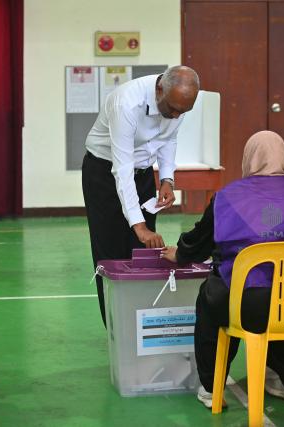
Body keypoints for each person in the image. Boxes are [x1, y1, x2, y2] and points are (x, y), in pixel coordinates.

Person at [162, 130, 284, 408]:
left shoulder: (226, 198)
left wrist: (181, 252)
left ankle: (212, 388)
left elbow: (199, 242)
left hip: (246, 306)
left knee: (216, 295)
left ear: (249, 158)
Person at [82, 65, 200, 325]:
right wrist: (139, 225)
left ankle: (140, 325)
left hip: (143, 174)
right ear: (160, 90)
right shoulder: (126, 103)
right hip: (104, 174)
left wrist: (167, 179)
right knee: (111, 253)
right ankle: (115, 328)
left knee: (144, 254)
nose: (177, 115)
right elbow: (121, 169)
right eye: (173, 109)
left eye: (183, 112)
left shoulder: (175, 102)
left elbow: (168, 139)